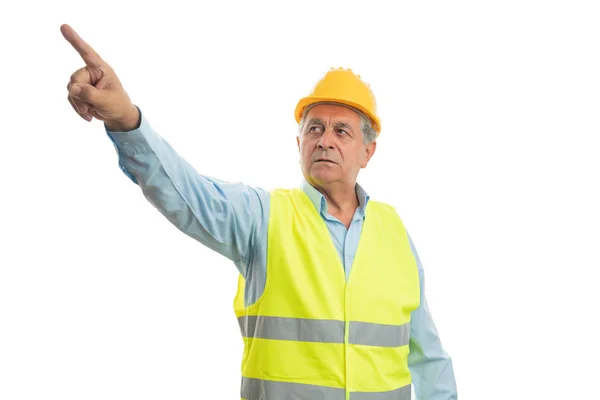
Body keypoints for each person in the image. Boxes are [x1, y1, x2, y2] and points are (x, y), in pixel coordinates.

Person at [61, 23, 458, 400]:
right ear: (299, 143)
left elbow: (428, 356)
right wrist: (127, 120)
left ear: (367, 151)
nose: (325, 141)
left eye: (342, 131)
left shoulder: (394, 232)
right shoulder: (264, 217)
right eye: (315, 128)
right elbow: (186, 194)